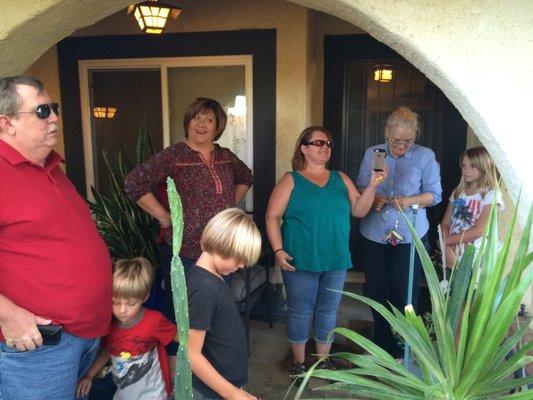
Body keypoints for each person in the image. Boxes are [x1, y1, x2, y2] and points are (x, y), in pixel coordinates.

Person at [0, 75, 112, 399]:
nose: (54, 118)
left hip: (83, 336)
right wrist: (8, 315)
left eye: (55, 108)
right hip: (38, 346)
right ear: (7, 123)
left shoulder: (49, 165)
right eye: (41, 111)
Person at [265, 126, 387, 377]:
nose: (325, 147)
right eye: (318, 142)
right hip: (299, 259)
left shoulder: (341, 178)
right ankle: (299, 364)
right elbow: (272, 216)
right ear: (304, 148)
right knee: (300, 311)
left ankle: (322, 363)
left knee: (328, 311)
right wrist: (278, 250)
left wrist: (373, 186)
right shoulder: (291, 180)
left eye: (328, 143)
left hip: (335, 259)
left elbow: (360, 210)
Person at [124, 97, 253, 320]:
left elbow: (246, 176)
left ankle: (209, 354)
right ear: (188, 122)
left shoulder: (224, 156)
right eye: (196, 117)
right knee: (183, 314)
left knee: (217, 309)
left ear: (217, 127)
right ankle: (182, 355)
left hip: (222, 249)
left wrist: (231, 203)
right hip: (186, 250)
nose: (201, 123)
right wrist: (163, 216)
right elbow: (134, 182)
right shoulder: (174, 155)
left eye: (209, 119)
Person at [356, 106, 442, 358]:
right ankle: (382, 345)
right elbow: (361, 186)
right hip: (374, 234)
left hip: (410, 235)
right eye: (396, 140)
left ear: (415, 136)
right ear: (386, 134)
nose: (401, 146)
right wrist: (375, 197)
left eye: (408, 141)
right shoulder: (375, 153)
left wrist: (410, 200)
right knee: (376, 291)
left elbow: (434, 195)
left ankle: (404, 346)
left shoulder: (425, 156)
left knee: (405, 293)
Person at [187, 208, 262, 400]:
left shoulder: (212, 278)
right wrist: (233, 394)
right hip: (213, 392)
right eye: (240, 258)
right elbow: (191, 354)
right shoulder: (204, 290)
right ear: (223, 246)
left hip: (225, 385)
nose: (243, 266)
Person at [77, 257, 177, 400]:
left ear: (145, 297)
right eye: (115, 302)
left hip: (154, 394)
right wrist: (89, 375)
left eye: (130, 304)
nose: (122, 310)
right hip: (123, 394)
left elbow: (181, 340)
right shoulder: (109, 324)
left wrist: (175, 379)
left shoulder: (154, 321)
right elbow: (108, 349)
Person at [440, 146, 504, 268]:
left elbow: (480, 230)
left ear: (484, 167)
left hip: (479, 258)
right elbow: (445, 223)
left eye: (472, 166)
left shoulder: (491, 194)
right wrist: (447, 249)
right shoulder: (459, 192)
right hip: (455, 254)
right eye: (463, 165)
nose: (466, 170)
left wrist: (445, 241)